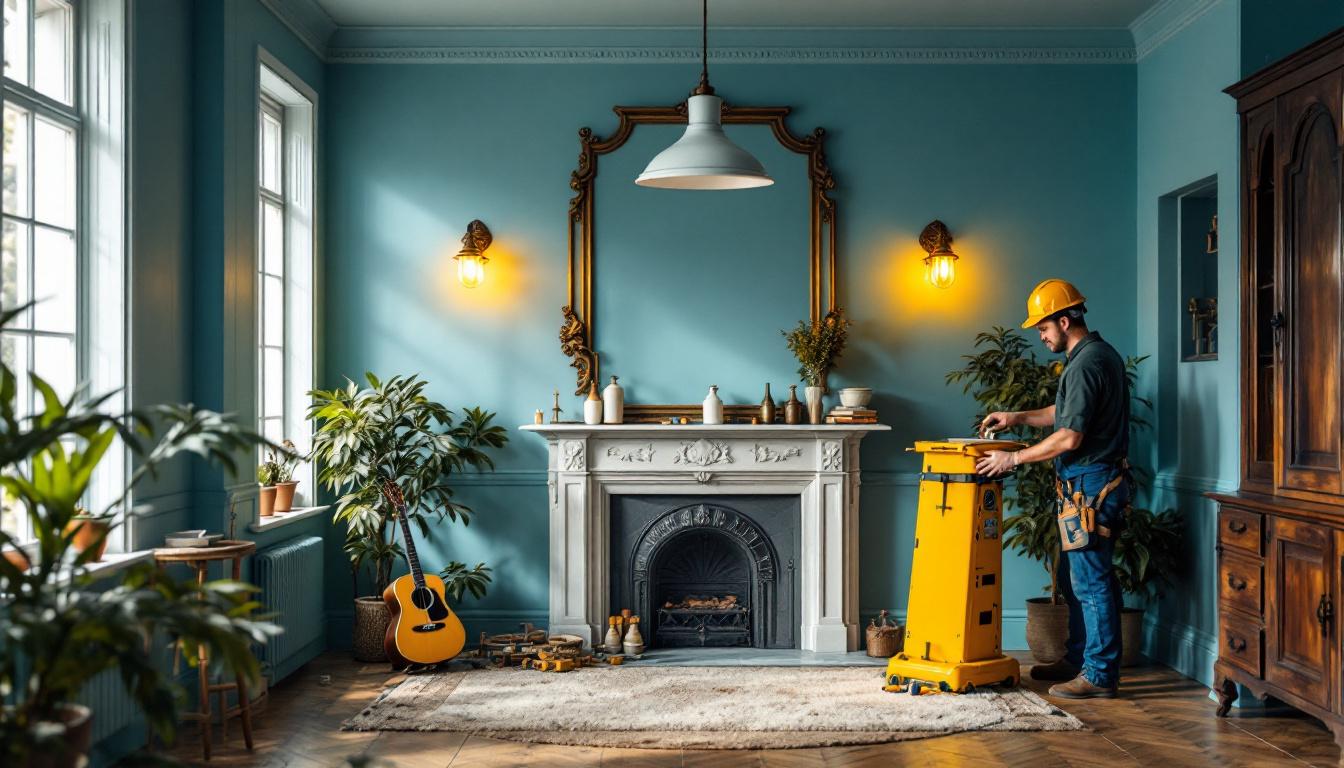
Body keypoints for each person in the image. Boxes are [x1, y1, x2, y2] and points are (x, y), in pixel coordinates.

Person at [974, 278, 1130, 699]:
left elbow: (1069, 437)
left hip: (1092, 484)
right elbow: (1063, 414)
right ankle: (1080, 657)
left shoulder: (1086, 363)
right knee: (1074, 574)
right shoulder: (1093, 356)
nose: (1041, 337)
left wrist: (1013, 458)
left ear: (1064, 320)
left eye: (1043, 329)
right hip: (1088, 483)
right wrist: (1016, 416)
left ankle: (1098, 675)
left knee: (1091, 581)